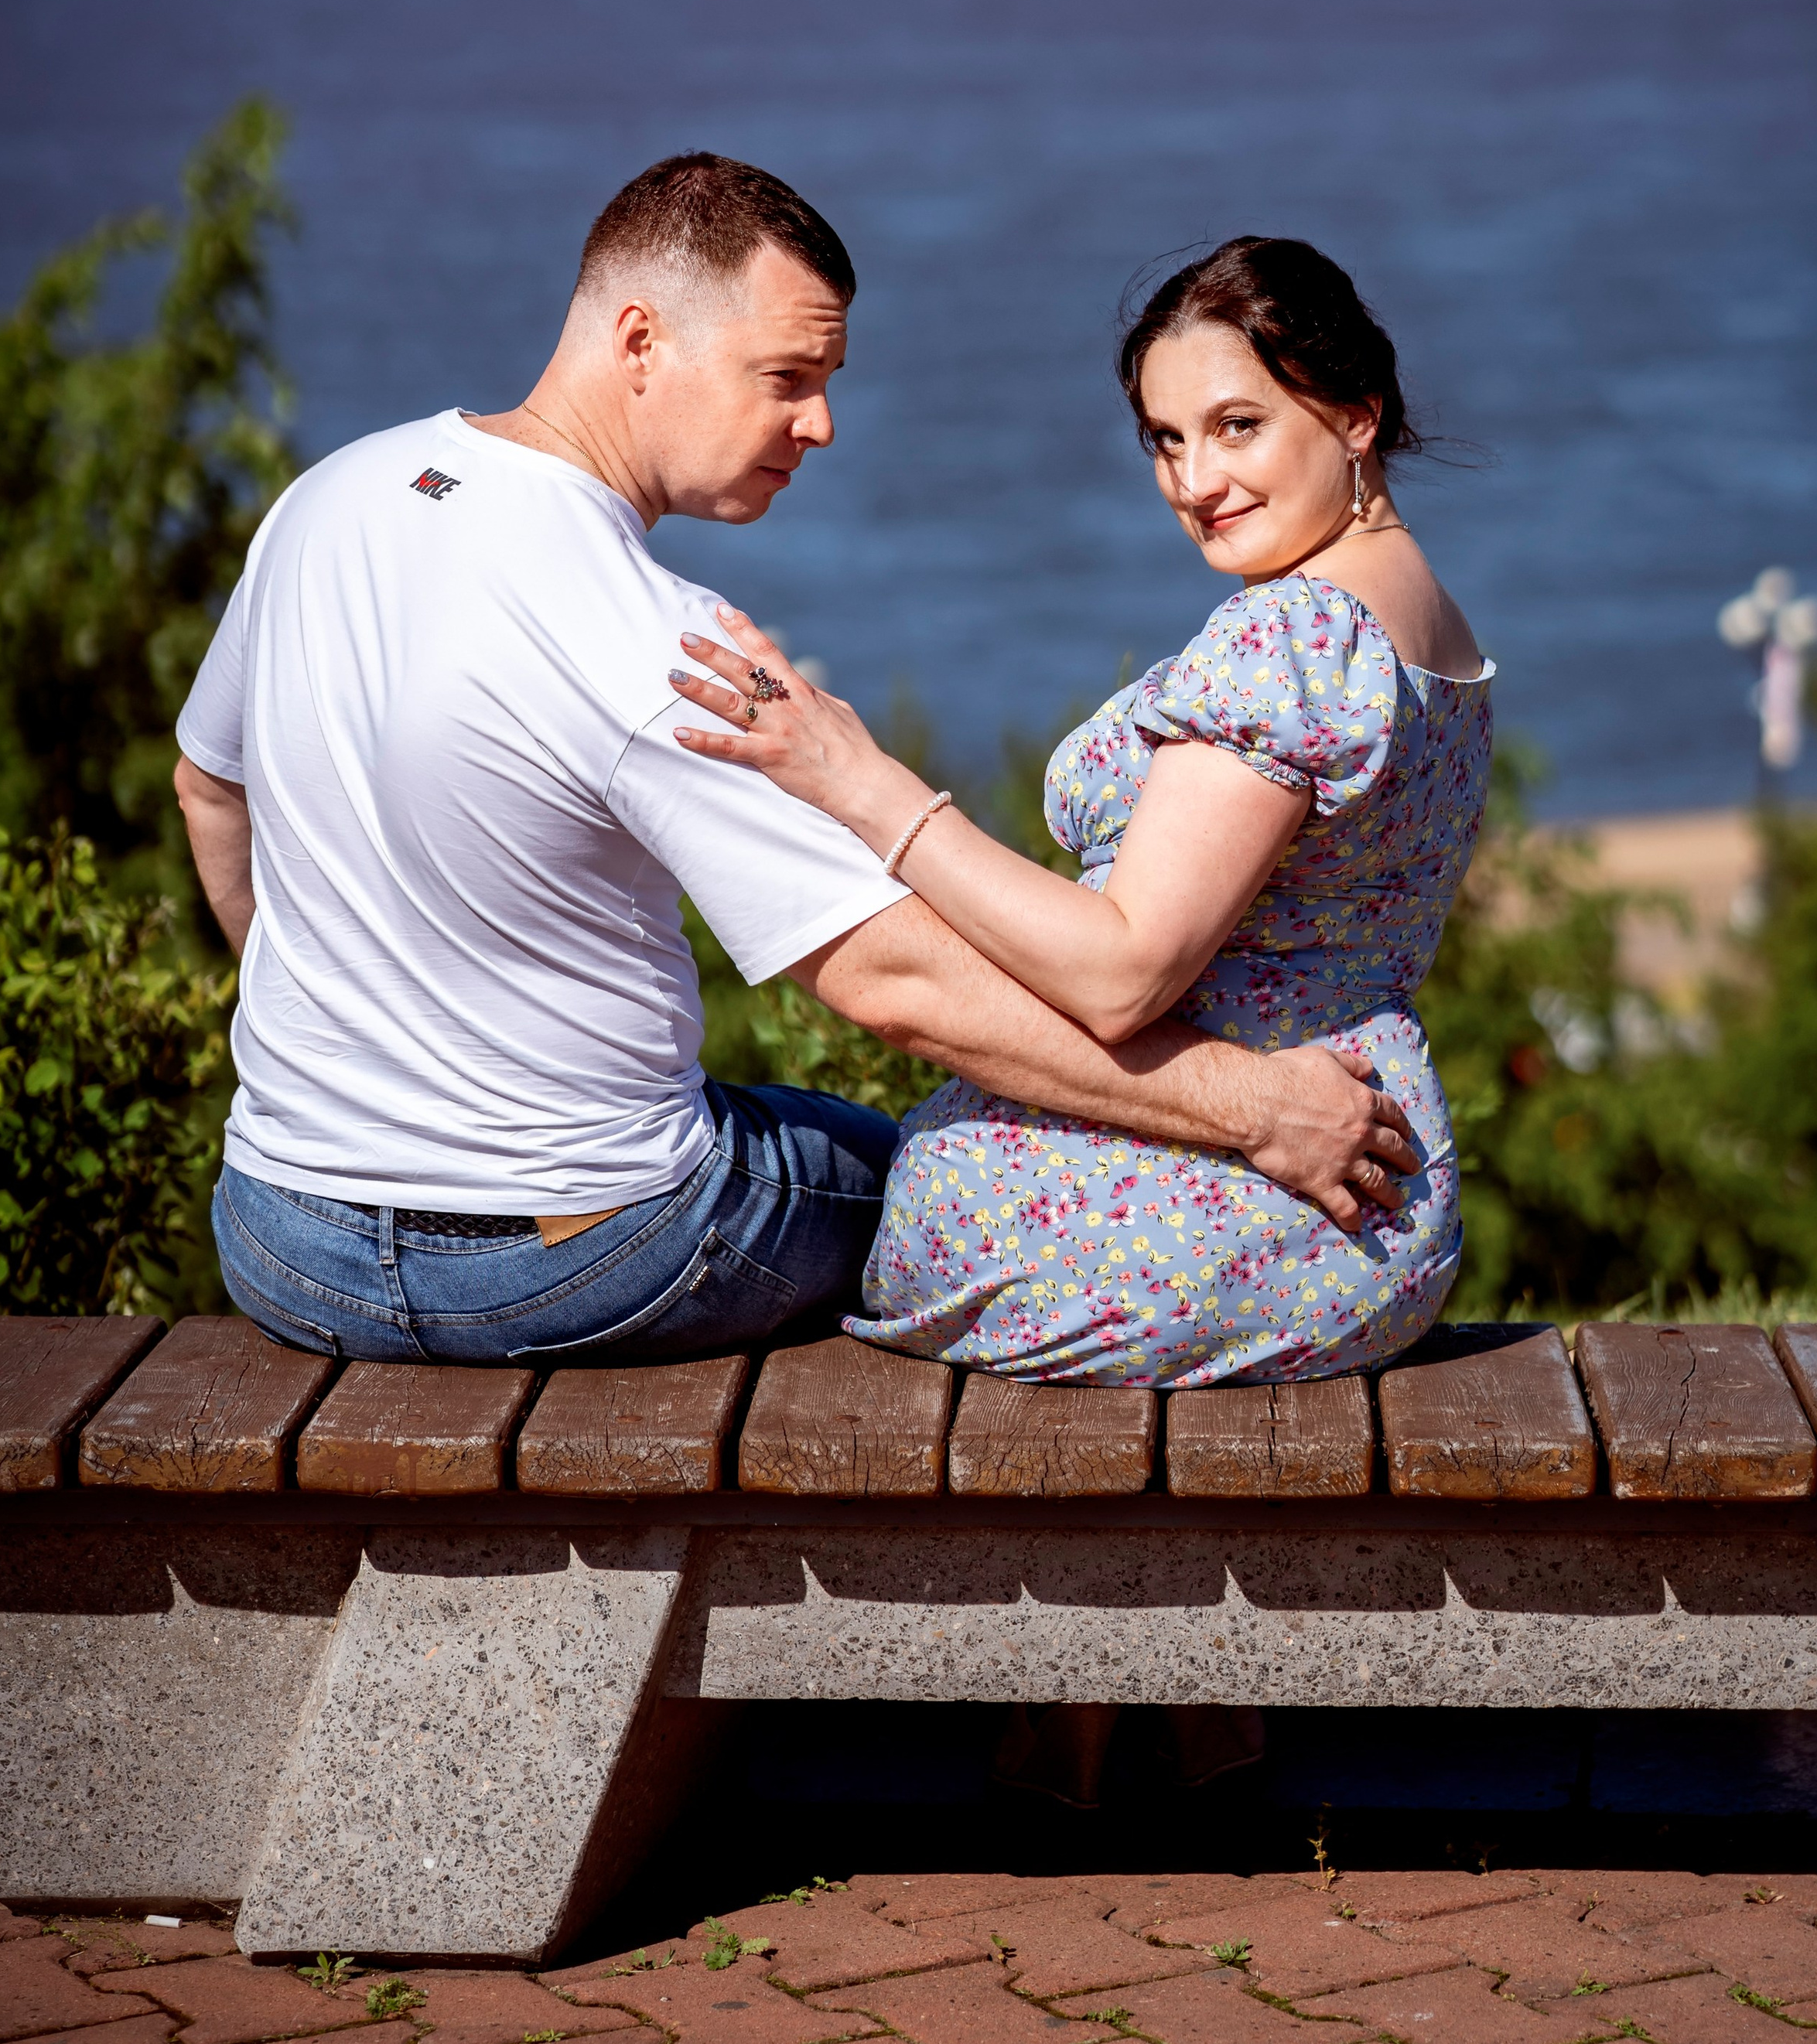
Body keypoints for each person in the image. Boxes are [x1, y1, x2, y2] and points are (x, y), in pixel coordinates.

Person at [175, 160, 1417, 1365]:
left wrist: (351, 1057)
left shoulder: (327, 500)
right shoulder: (662, 640)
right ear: (641, 339)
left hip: (282, 1237)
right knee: (931, 1176)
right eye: (788, 377)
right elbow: (895, 985)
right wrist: (1253, 1108)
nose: (820, 423)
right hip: (580, 1256)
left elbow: (208, 786)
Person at [671, 231, 1491, 1390]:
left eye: (1237, 426)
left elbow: (1122, 973)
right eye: (1166, 439)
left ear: (1357, 416)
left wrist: (859, 780)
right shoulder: (1423, 618)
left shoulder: (1294, 633)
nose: (1195, 483)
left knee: (808, 1198)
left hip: (1260, 1203)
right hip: (1374, 1198)